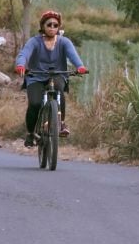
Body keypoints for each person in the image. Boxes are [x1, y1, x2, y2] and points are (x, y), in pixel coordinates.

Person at [14, 10, 87, 147]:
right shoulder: (34, 41)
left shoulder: (64, 42)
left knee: (59, 89)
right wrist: (20, 65)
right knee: (35, 103)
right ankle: (31, 133)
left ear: (59, 27)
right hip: (35, 77)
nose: (52, 28)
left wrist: (80, 66)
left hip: (57, 74)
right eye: (49, 25)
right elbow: (24, 54)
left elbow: (73, 56)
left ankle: (61, 123)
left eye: (55, 25)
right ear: (42, 26)